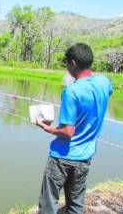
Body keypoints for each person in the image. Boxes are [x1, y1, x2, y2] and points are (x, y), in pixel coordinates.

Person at [36, 43, 113, 214]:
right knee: (76, 205)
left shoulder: (71, 92)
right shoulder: (104, 82)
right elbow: (105, 94)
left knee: (48, 203)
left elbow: (67, 132)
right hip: (85, 156)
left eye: (66, 64)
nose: (66, 68)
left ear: (73, 63)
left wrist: (47, 128)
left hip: (62, 157)